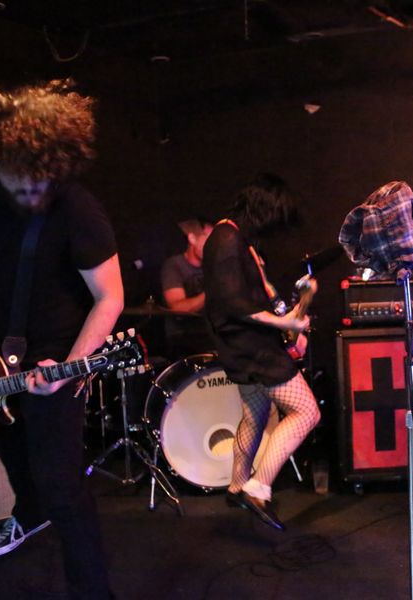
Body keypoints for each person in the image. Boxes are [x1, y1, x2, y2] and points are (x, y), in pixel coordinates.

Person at [0, 77, 122, 599]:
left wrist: (71, 366)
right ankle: (29, 510)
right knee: (5, 445)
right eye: (23, 183)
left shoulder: (77, 207)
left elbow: (109, 296)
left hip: (54, 358)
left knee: (62, 484)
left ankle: (93, 591)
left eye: (44, 181)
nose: (35, 193)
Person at [202, 173, 320, 531]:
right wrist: (285, 324)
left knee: (255, 415)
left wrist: (291, 323)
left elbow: (261, 295)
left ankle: (237, 486)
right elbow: (234, 304)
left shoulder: (239, 239)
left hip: (245, 344)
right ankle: (258, 490)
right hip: (250, 346)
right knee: (306, 412)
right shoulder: (225, 240)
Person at [159, 217, 215, 356]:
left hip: (210, 335)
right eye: (209, 239)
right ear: (192, 238)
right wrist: (213, 290)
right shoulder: (174, 265)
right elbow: (177, 308)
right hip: (182, 338)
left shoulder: (213, 265)